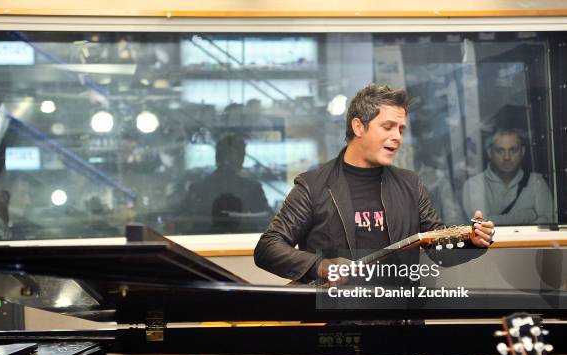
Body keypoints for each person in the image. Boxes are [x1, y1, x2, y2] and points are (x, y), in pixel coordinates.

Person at [254, 84, 494, 284]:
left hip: (399, 321)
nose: (397, 137)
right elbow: (268, 247)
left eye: (401, 129)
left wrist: (471, 241)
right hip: (337, 320)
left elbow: (437, 248)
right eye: (388, 127)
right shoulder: (312, 186)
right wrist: (321, 266)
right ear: (359, 126)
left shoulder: (410, 184)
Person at [181, 133, 272, 234]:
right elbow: (268, 220)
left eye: (232, 158)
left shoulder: (197, 188)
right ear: (242, 160)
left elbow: (183, 222)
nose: (228, 162)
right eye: (227, 157)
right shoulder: (254, 189)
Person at [462, 129, 551, 225]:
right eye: (500, 150)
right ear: (489, 153)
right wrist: (529, 215)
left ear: (522, 151)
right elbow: (481, 224)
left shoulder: (536, 182)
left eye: (513, 150)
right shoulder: (474, 184)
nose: (507, 157)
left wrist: (494, 220)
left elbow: (547, 222)